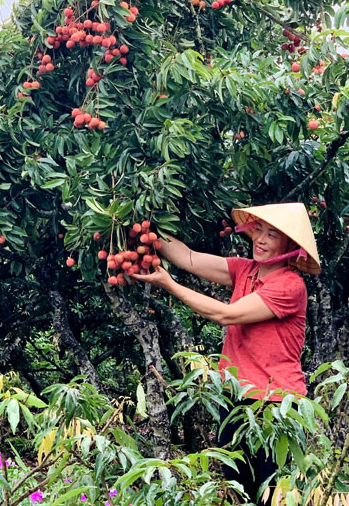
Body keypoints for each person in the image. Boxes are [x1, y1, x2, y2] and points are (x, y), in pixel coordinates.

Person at [131, 202, 321, 505]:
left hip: (275, 403)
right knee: (240, 490)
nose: (260, 239)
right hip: (234, 399)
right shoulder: (244, 270)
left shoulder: (289, 286)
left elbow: (226, 314)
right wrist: (144, 227)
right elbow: (189, 258)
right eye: (259, 230)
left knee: (272, 494)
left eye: (272, 235)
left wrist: (169, 284)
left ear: (289, 245)